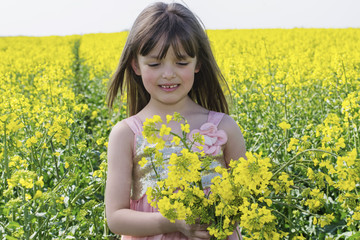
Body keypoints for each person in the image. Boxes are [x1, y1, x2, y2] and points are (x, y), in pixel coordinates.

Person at [105, 2, 246, 239]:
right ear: (135, 66)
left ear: (198, 63)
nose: (168, 74)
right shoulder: (126, 133)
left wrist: (220, 217)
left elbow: (247, 198)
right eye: (154, 64)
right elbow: (116, 217)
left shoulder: (224, 128)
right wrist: (173, 222)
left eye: (181, 63)